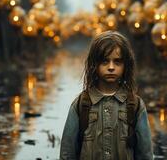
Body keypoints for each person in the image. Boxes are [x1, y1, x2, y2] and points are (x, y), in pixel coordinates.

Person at [60, 31, 153, 160]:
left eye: (117, 62)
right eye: (104, 61)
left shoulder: (135, 105)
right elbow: (67, 152)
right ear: (94, 65)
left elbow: (145, 154)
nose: (111, 67)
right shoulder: (81, 104)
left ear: (126, 65)